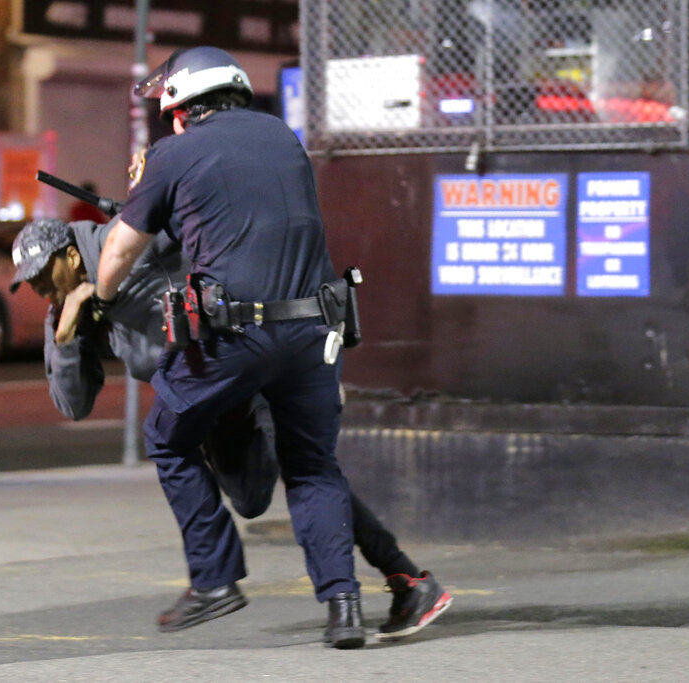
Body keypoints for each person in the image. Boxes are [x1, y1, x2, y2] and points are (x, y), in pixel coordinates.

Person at [92, 46, 449, 648]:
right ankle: (343, 609)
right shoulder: (283, 136)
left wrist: (102, 297)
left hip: (233, 336)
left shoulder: (170, 153)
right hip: (315, 332)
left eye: (169, 110)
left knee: (167, 437)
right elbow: (236, 222)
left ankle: (214, 579)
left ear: (182, 104)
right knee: (312, 466)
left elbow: (122, 253)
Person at [10, 214, 453, 643]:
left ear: (70, 255)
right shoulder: (68, 310)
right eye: (29, 283)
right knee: (252, 499)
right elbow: (73, 404)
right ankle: (396, 585)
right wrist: (66, 337)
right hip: (207, 400)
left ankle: (404, 581)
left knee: (305, 469)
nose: (38, 288)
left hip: (242, 363)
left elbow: (197, 222)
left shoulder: (128, 241)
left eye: (42, 275)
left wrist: (157, 188)